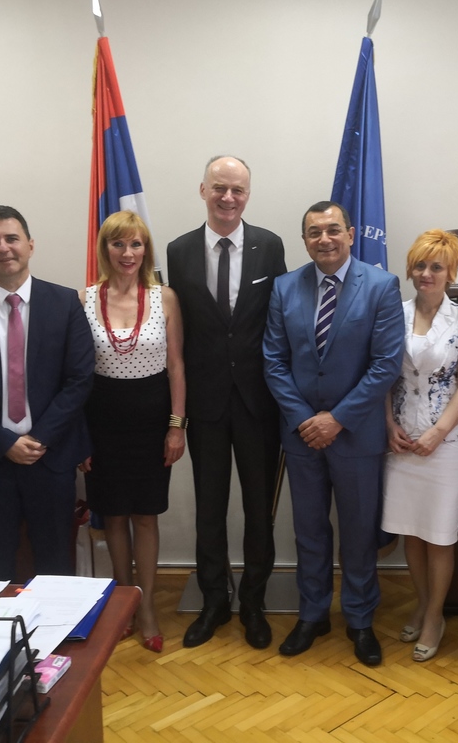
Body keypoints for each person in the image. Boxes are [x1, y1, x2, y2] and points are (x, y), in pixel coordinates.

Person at [263, 200, 404, 667]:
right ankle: (312, 614)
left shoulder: (381, 286)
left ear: (350, 234)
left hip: (356, 435)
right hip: (302, 435)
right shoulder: (285, 287)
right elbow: (274, 361)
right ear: (305, 240)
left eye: (332, 230)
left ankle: (360, 619)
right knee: (308, 530)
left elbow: (385, 364)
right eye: (314, 232)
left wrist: (337, 419)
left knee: (359, 533)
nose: (324, 239)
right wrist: (306, 419)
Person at [167, 156, 285, 650]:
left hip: (259, 403)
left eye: (237, 189)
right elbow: (179, 331)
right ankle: (215, 600)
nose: (228, 197)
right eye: (219, 187)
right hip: (206, 403)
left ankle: (253, 602)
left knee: (259, 511)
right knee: (209, 509)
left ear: (248, 195)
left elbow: (279, 322)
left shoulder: (270, 246)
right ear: (203, 190)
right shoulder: (178, 251)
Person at [0, 205, 95, 581]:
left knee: (55, 569)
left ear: (30, 245)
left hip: (50, 457)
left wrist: (38, 439)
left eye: (12, 238)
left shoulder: (66, 304)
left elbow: (79, 379)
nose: (4, 247)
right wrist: (5, 442)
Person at [81, 210, 186, 652]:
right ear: (105, 248)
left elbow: (176, 365)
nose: (127, 253)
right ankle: (123, 601)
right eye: (118, 243)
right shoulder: (84, 299)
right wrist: (79, 437)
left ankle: (146, 609)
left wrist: (176, 427)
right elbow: (77, 373)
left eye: (136, 244)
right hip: (101, 420)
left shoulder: (165, 297)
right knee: (113, 515)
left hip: (152, 420)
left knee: (145, 515)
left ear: (146, 249)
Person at [382, 229, 458, 662]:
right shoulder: (393, 314)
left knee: (439, 537)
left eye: (436, 267)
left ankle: (435, 616)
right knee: (412, 534)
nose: (427, 273)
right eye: (420, 265)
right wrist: (388, 425)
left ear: (451, 272)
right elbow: (382, 375)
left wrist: (438, 432)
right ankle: (423, 604)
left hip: (448, 445)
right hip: (401, 442)